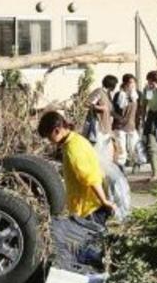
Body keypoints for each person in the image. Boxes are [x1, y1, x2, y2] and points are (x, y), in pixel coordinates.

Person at [37, 111, 115, 269]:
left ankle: (99, 280)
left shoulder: (73, 148)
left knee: (87, 253)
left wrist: (105, 201)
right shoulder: (76, 140)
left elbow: (90, 178)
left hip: (89, 209)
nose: (49, 141)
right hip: (89, 206)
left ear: (56, 130)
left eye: (48, 136)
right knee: (89, 250)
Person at [83, 75, 118, 162]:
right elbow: (87, 103)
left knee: (107, 151)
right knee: (98, 150)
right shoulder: (99, 92)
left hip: (106, 127)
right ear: (111, 85)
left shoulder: (108, 94)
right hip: (98, 126)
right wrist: (100, 108)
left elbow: (109, 110)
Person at [112, 74, 142, 173]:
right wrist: (118, 118)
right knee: (121, 149)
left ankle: (136, 164)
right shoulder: (119, 95)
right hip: (120, 126)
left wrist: (140, 121)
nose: (132, 85)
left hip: (132, 125)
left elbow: (140, 109)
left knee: (134, 147)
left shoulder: (137, 94)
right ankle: (121, 168)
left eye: (134, 82)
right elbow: (113, 110)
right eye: (130, 82)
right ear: (125, 83)